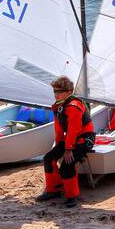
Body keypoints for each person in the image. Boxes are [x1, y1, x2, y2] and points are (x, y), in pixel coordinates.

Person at [37, 76, 94, 208]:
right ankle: (53, 190)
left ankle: (72, 196)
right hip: (70, 138)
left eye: (59, 92)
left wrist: (68, 150)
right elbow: (59, 130)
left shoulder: (74, 106)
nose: (56, 95)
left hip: (85, 139)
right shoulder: (59, 106)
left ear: (69, 92)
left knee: (66, 164)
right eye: (54, 92)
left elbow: (74, 129)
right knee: (48, 158)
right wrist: (58, 147)